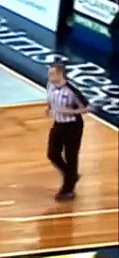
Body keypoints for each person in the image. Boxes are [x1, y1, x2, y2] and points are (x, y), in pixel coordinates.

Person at [45, 62, 90, 201]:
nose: (49, 76)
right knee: (52, 154)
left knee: (71, 157)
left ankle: (68, 189)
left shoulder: (71, 91)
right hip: (58, 124)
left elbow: (87, 108)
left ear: (60, 74)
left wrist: (68, 111)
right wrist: (48, 107)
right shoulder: (50, 85)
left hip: (72, 126)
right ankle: (71, 175)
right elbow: (50, 97)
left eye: (51, 74)